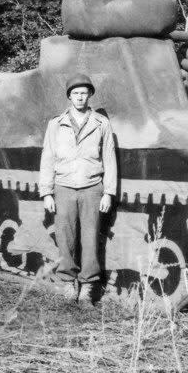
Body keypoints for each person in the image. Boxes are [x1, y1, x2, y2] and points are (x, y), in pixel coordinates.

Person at [39, 74, 117, 304]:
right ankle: (68, 282)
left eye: (84, 93)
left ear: (90, 95)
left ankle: (88, 286)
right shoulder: (56, 124)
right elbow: (48, 157)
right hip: (63, 187)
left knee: (91, 238)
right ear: (69, 97)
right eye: (76, 93)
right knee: (65, 238)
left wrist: (109, 192)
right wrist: (46, 192)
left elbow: (109, 158)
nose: (80, 97)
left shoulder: (101, 123)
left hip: (92, 187)